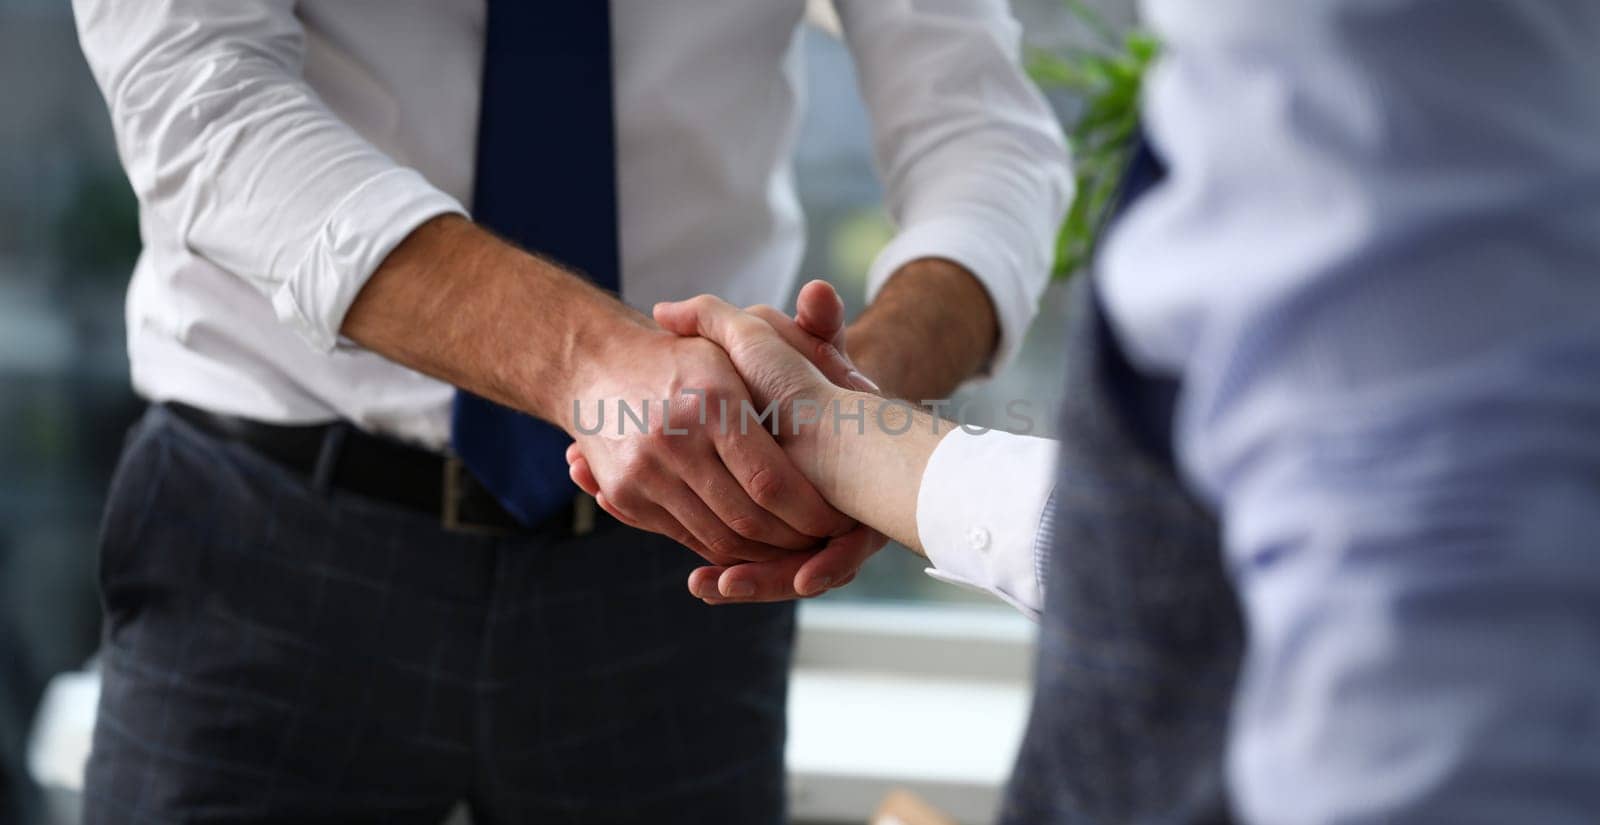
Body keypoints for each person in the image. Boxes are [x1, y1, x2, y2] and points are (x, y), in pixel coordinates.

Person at [70, 0, 1070, 821]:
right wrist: (591, 362)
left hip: (689, 559)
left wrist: (853, 403)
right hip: (266, 546)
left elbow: (982, 133)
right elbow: (197, 97)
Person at [603, 1, 1600, 821]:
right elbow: (1212, 540)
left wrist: (827, 414)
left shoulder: (1354, 57)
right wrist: (839, 433)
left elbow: (1423, 599)